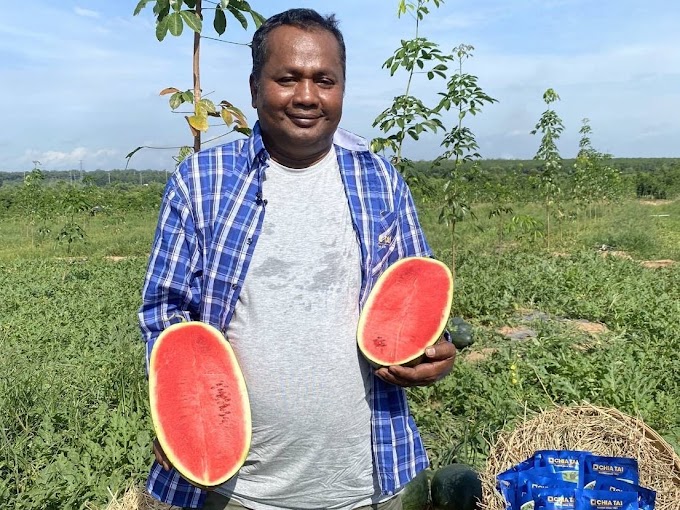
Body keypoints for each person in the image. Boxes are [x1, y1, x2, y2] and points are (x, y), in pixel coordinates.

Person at [139, 7, 456, 510]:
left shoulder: (380, 179)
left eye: (324, 80)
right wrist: (175, 405)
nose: (307, 96)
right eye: (287, 78)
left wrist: (432, 352)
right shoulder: (200, 182)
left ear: (342, 89)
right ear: (255, 86)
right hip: (238, 489)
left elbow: (413, 296)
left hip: (369, 478)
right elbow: (165, 313)